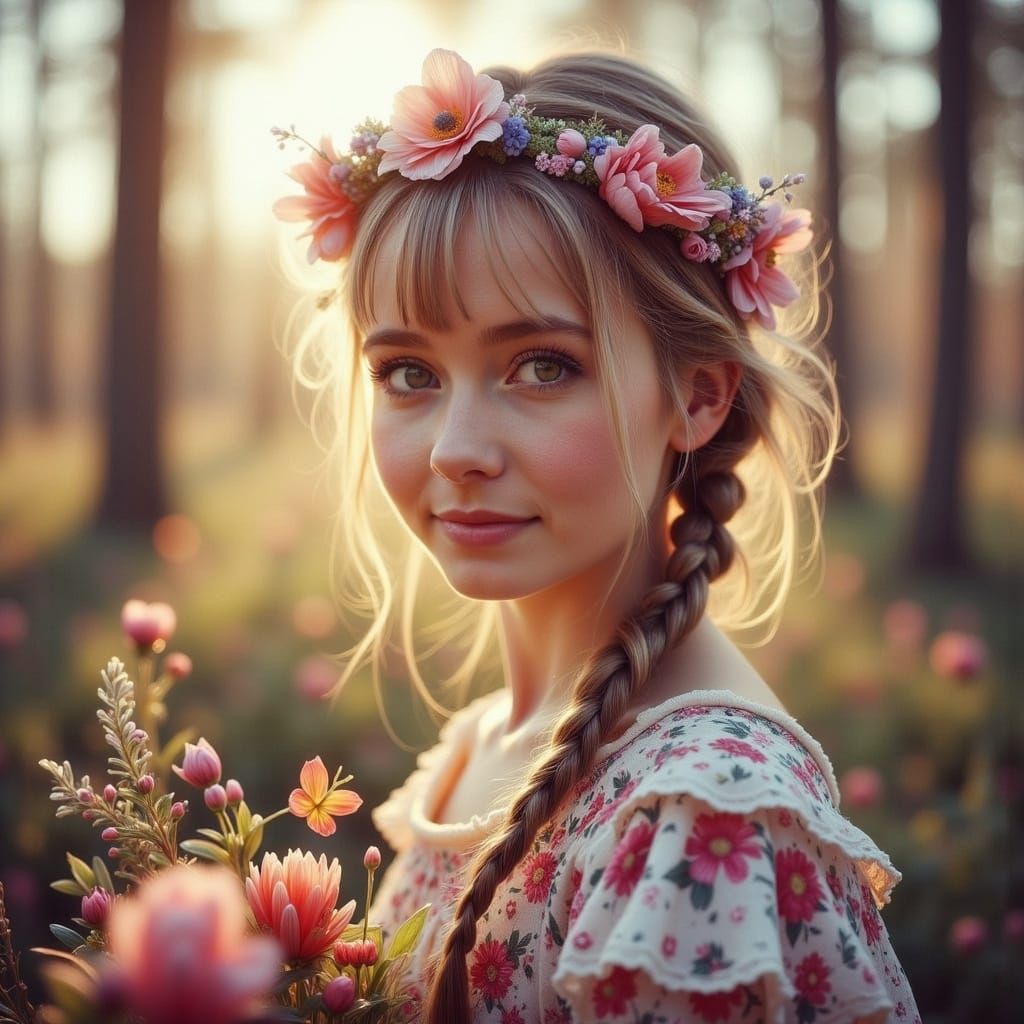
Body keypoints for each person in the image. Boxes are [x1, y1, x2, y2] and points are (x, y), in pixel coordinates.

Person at [274, 46, 921, 1024]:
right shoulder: (481, 746)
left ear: (698, 394)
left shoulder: (698, 816)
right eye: (409, 372)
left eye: (541, 365)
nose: (457, 449)